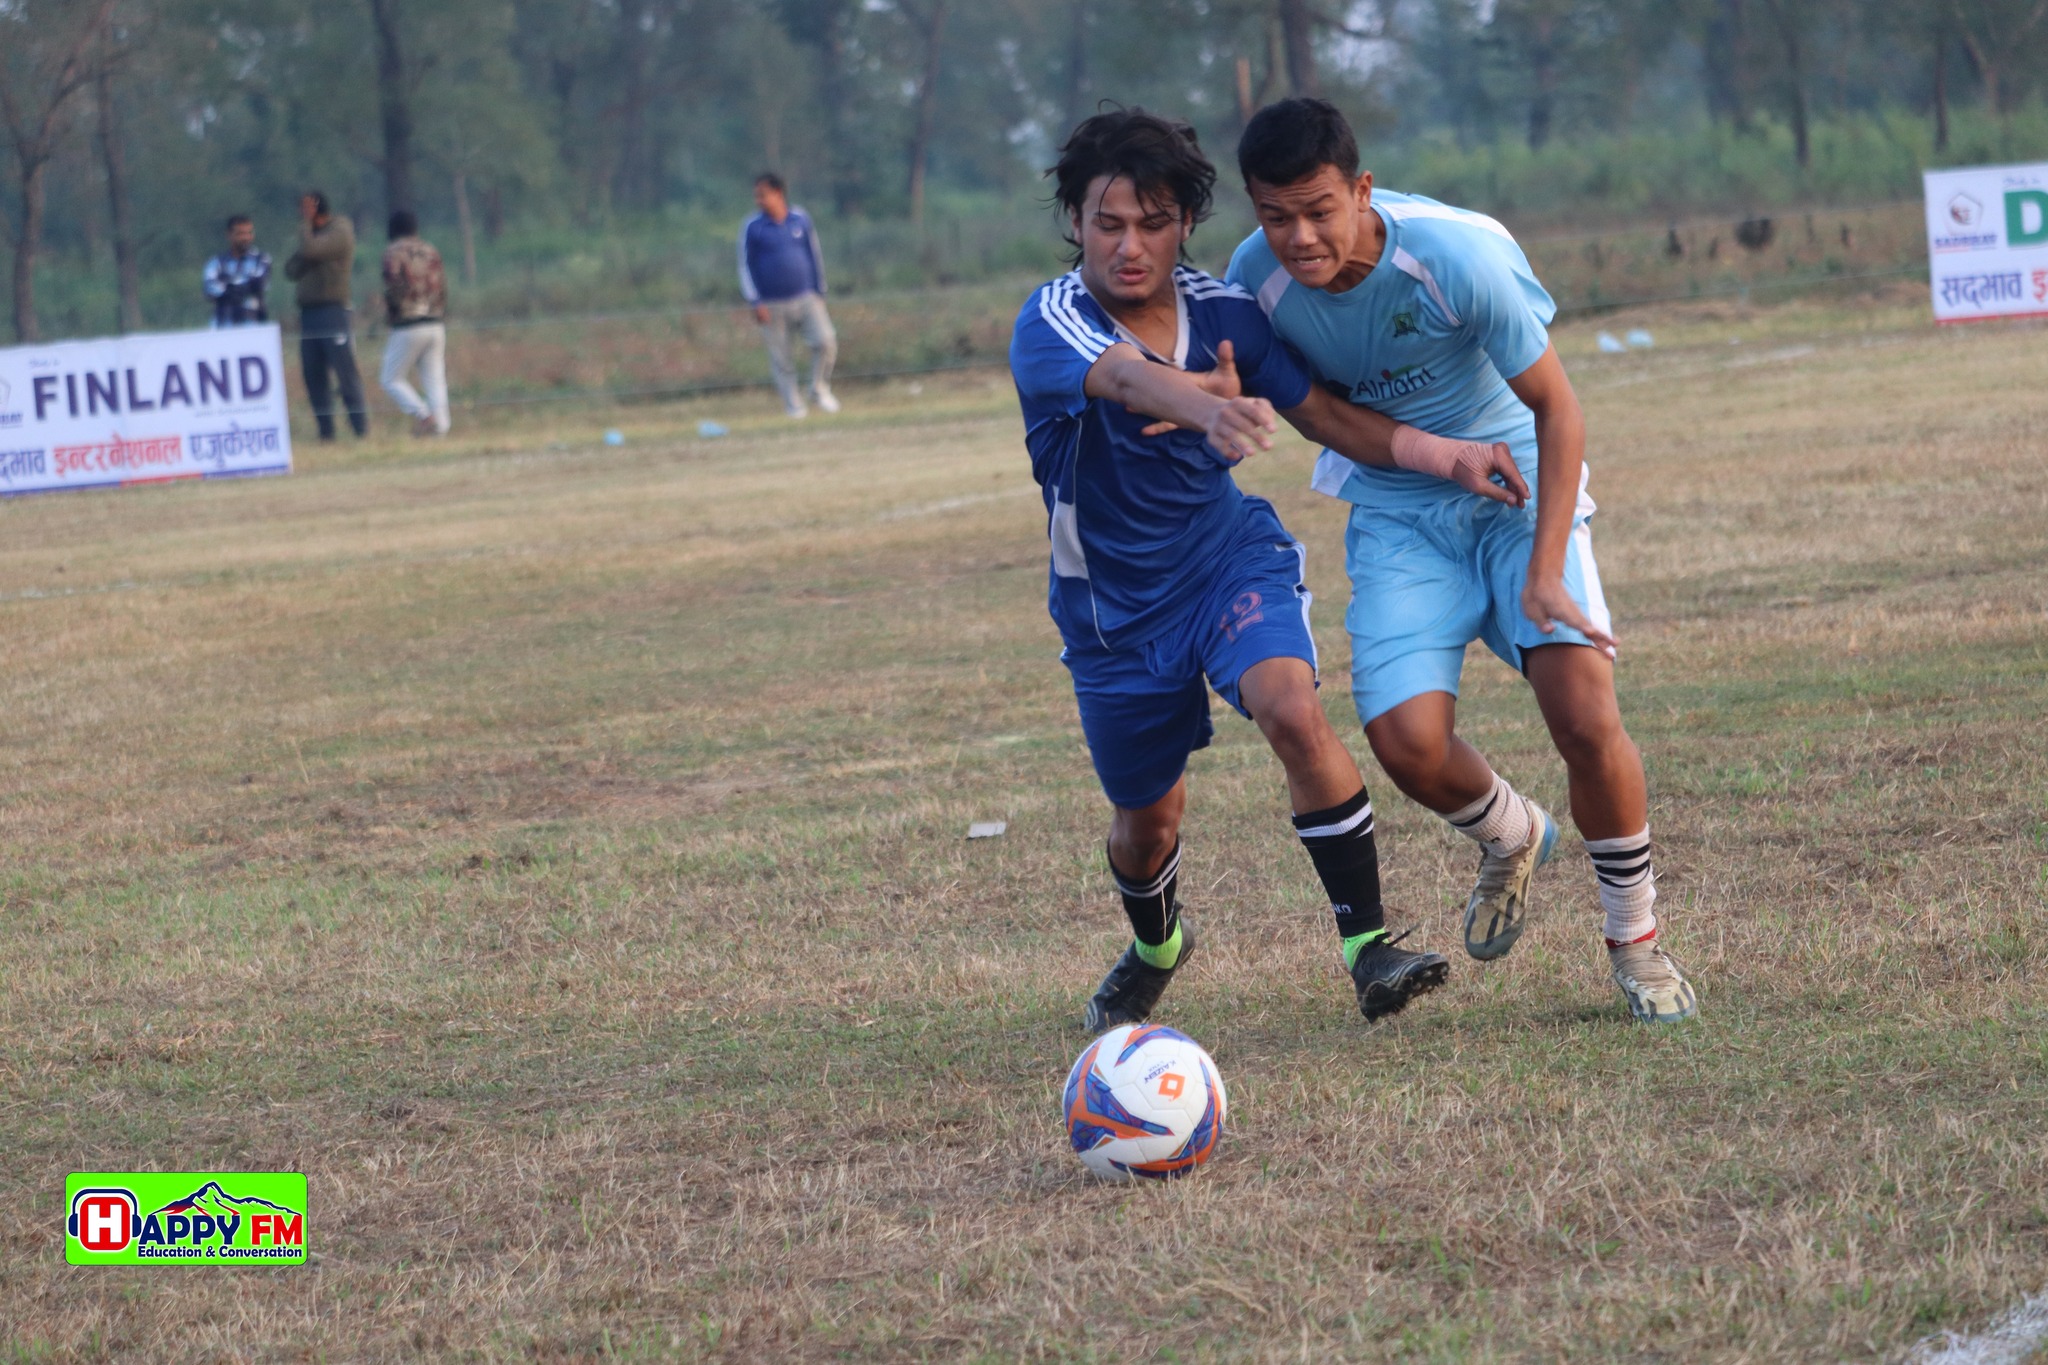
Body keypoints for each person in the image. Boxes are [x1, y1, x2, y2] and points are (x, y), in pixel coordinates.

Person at [1010, 108, 1532, 1031]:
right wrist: (1202, 404)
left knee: (1293, 707)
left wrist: (1443, 454)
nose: (1131, 247)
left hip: (1227, 562)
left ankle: (1370, 951)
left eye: (1155, 223)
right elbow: (1128, 379)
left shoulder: (1224, 313)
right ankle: (1158, 945)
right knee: (1146, 828)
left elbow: (1325, 418)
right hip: (1115, 616)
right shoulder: (1052, 321)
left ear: (1184, 226)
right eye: (1108, 223)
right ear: (1075, 222)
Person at [1224, 98, 1697, 1023]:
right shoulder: (1255, 284)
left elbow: (1559, 409)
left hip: (1518, 493)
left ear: (1362, 190)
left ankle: (1636, 944)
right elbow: (1318, 415)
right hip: (1401, 514)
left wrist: (1548, 566)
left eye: (1320, 209)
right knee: (1407, 743)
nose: (1300, 237)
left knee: (1584, 713)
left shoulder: (1454, 255)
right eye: (1275, 215)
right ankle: (1512, 833)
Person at [738, 173, 839, 418]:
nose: (759, 200)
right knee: (781, 357)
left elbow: (814, 254)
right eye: (756, 196)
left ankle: (818, 388)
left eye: (763, 195)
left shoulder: (800, 219)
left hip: (806, 297)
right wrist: (755, 301)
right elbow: (745, 265)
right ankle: (794, 406)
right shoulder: (753, 227)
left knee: (826, 341)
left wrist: (819, 290)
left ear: (778, 193)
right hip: (771, 303)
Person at [283, 190, 366, 440]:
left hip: (333, 310)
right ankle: (326, 432)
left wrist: (307, 232)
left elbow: (309, 251)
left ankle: (359, 429)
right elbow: (291, 269)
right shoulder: (313, 236)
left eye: (306, 208)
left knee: (345, 372)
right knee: (313, 373)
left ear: (318, 207)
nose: (302, 213)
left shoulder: (341, 229)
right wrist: (309, 245)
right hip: (309, 314)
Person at [378, 210, 450, 437]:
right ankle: (442, 426)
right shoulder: (430, 250)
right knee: (435, 380)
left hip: (408, 324)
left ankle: (423, 415)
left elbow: (393, 287)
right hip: (435, 321)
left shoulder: (393, 252)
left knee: (391, 379)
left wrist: (390, 314)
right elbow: (443, 285)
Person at [203, 215, 271, 328]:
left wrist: (227, 283)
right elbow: (209, 289)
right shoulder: (216, 262)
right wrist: (241, 285)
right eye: (240, 234)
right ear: (229, 235)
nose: (245, 237)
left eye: (249, 233)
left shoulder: (261, 259)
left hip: (254, 324)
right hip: (223, 323)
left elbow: (260, 284)